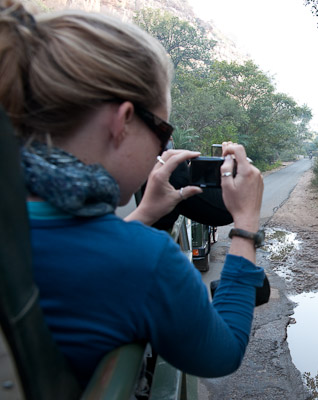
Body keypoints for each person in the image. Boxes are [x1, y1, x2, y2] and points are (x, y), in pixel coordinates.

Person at [0, 0, 265, 387]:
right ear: (123, 122)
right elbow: (223, 352)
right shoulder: (144, 259)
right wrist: (245, 225)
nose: (163, 148)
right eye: (163, 133)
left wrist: (142, 216)